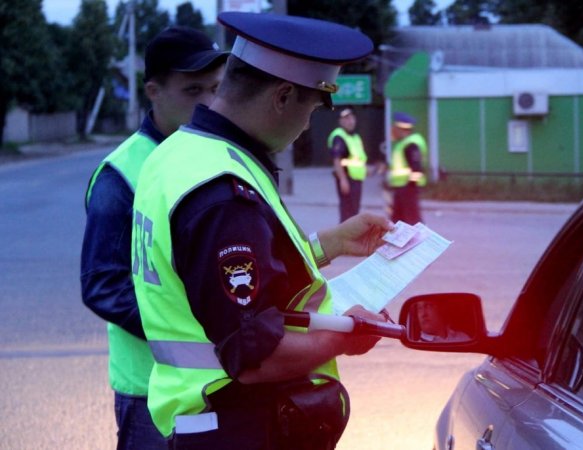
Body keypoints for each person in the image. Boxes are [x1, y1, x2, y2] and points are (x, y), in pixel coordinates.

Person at [130, 12, 392, 449]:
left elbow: (216, 275)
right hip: (240, 426)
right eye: (313, 105)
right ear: (283, 95)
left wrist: (331, 244)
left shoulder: (178, 152)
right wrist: (345, 335)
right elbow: (256, 356)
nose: (309, 122)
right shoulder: (223, 191)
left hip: (205, 421)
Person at [80, 26, 227, 449]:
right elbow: (103, 285)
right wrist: (194, 329)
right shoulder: (121, 174)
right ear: (153, 91)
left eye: (216, 88)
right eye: (193, 89)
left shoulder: (215, 157)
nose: (207, 102)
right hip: (151, 390)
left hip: (219, 383)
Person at [387, 112, 428, 225]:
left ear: (401, 129)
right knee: (399, 221)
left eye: (394, 128)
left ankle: (421, 243)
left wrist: (410, 187)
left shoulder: (411, 144)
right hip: (402, 189)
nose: (392, 131)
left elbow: (416, 169)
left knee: (412, 222)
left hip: (407, 189)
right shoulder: (404, 143)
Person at [328, 107, 367, 222]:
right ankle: (344, 237)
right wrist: (343, 180)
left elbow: (358, 159)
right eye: (346, 119)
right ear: (340, 122)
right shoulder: (339, 137)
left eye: (351, 118)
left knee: (354, 211)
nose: (350, 121)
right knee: (347, 212)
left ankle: (352, 236)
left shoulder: (355, 137)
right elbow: (337, 160)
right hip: (347, 179)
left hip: (356, 179)